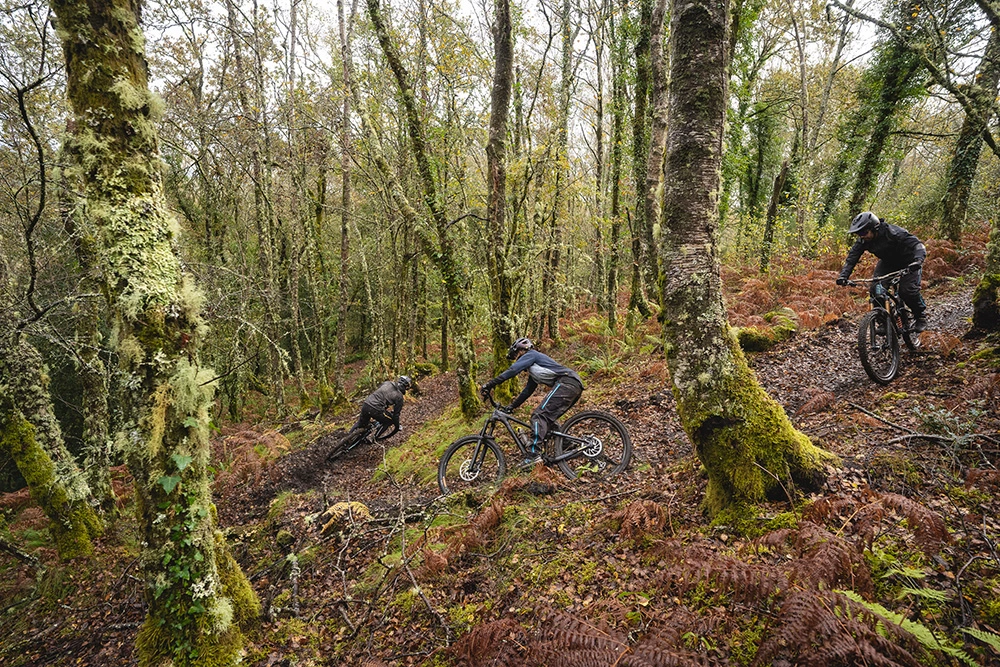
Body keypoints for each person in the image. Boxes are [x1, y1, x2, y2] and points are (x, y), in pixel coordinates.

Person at [480, 338, 585, 465]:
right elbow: (527, 391)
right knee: (547, 418)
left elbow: (513, 370)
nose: (517, 359)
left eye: (517, 355)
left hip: (566, 383)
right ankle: (566, 444)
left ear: (522, 350)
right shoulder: (534, 371)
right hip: (572, 385)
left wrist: (490, 384)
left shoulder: (531, 355)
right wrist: (512, 406)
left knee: (538, 415)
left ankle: (533, 454)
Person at [836, 211, 928, 333]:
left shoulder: (894, 233)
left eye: (863, 232)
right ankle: (884, 321)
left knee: (907, 291)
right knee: (876, 290)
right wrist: (843, 276)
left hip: (909, 262)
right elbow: (852, 258)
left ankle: (920, 316)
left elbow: (917, 245)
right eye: (858, 233)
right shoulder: (863, 241)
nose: (861, 236)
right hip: (888, 263)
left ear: (874, 228)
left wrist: (918, 260)